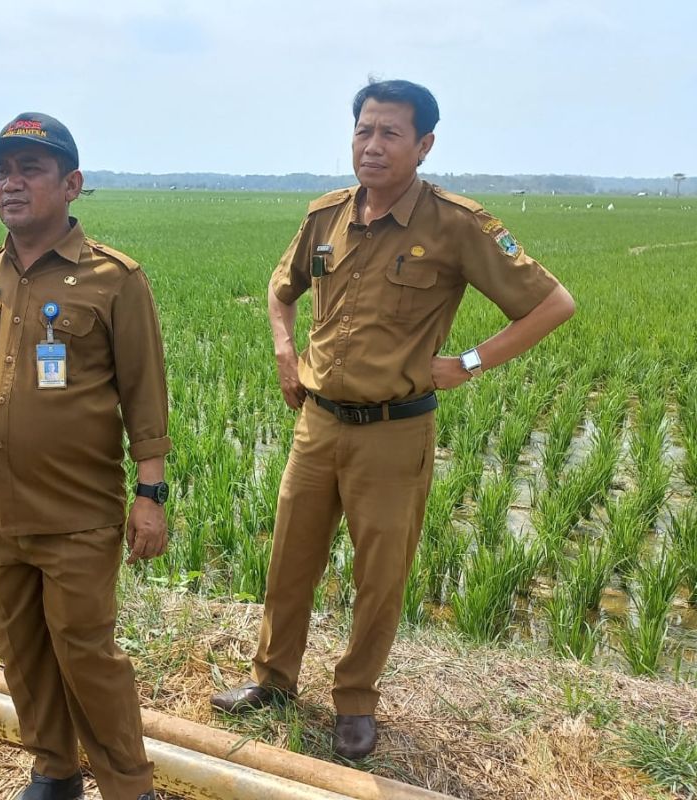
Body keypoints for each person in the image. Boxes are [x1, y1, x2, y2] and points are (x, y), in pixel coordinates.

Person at [210, 80, 575, 759]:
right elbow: (279, 286)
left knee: (379, 575)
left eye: (389, 134)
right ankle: (272, 680)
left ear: (424, 144)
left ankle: (355, 703)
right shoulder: (326, 215)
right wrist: (286, 349)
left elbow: (554, 304)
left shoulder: (457, 223)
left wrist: (468, 360)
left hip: (393, 431)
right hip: (317, 424)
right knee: (290, 561)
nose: (372, 146)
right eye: (363, 131)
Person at [0, 112, 168, 800]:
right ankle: (54, 769)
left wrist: (150, 496)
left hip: (75, 512)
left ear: (71, 184)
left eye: (29, 170)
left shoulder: (113, 279)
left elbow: (145, 398)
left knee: (86, 655)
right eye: (1, 171)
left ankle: (129, 786)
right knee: (21, 650)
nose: (11, 184)